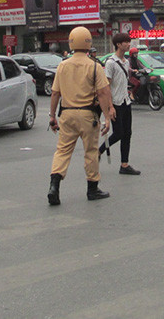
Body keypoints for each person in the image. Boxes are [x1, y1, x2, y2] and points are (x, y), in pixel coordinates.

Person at [46, 26, 115, 206]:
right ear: (88, 43)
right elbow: (103, 93)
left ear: (71, 43)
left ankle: (54, 186)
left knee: (62, 151)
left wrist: (52, 116)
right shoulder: (94, 66)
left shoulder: (62, 65)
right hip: (88, 115)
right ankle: (92, 189)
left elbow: (55, 93)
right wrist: (107, 117)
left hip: (67, 114)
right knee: (90, 152)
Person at [98, 32, 140, 175]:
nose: (128, 44)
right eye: (126, 42)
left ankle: (124, 164)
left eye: (129, 42)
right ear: (118, 44)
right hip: (115, 103)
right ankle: (99, 151)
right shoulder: (111, 63)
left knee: (127, 134)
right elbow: (106, 87)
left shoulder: (126, 61)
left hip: (126, 101)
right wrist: (110, 107)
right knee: (118, 133)